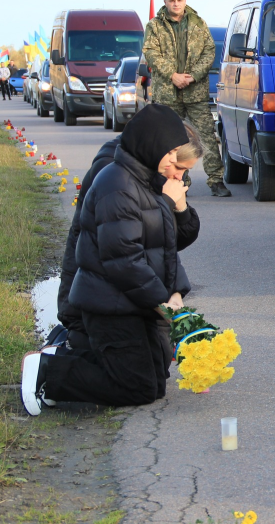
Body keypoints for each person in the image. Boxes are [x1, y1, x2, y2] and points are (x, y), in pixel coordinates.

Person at [21, 105, 196, 414]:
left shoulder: (148, 182)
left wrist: (176, 290)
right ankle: (48, 373)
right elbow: (123, 260)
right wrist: (162, 299)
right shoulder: (118, 184)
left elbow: (164, 248)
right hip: (109, 304)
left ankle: (67, 360)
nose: (173, 161)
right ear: (150, 144)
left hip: (132, 299)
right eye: (169, 152)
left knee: (154, 382)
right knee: (137, 387)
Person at [54, 122, 204, 360]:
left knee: (156, 366)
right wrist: (164, 203)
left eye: (186, 171)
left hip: (135, 284)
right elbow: (124, 242)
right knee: (115, 365)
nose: (179, 176)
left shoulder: (157, 172)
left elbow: (168, 241)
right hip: (102, 285)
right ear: (161, 152)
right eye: (177, 166)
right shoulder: (116, 174)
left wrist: (181, 208)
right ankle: (53, 360)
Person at [143, 0, 230, 197]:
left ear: (185, 1)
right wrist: (172, 75)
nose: (176, 4)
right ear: (165, 2)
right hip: (167, 93)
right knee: (170, 140)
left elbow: (209, 51)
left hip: (195, 92)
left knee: (206, 137)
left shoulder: (198, 24)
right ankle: (179, 181)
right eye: (171, 1)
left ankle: (216, 181)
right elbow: (151, 53)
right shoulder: (155, 26)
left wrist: (193, 75)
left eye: (179, 0)